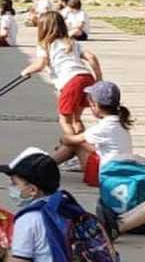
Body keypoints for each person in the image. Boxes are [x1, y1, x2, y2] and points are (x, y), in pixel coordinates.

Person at [20, 12, 103, 167]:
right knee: (76, 119)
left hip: (71, 82)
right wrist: (98, 80)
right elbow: (91, 57)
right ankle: (82, 152)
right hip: (86, 78)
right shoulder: (71, 42)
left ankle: (76, 150)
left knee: (64, 119)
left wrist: (26, 71)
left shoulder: (45, 44)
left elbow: (41, 64)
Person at [0, 147, 65, 262]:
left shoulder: (28, 219)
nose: (10, 187)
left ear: (32, 190)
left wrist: (3, 253)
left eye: (14, 183)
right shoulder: (65, 204)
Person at [55, 81, 133, 173]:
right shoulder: (119, 122)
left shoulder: (102, 127)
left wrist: (63, 140)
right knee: (82, 144)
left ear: (95, 106)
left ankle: (44, 165)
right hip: (119, 169)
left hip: (105, 174)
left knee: (75, 145)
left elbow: (70, 140)